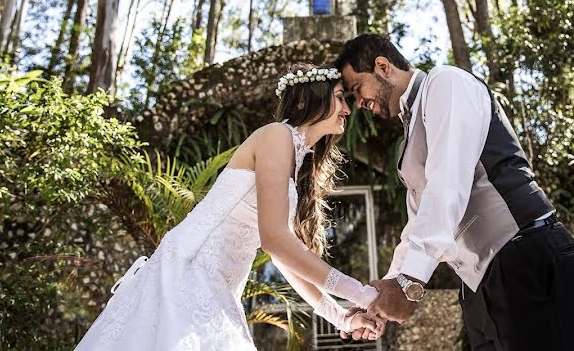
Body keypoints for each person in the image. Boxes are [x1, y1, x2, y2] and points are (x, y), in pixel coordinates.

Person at [75, 64, 382, 350]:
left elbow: (285, 258)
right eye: (340, 97)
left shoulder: (295, 156)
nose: (346, 109)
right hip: (191, 272)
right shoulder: (277, 135)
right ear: (309, 100)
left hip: (217, 285)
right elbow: (276, 242)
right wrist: (361, 293)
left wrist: (341, 316)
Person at [335, 34, 574, 350]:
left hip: (524, 255)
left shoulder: (446, 84)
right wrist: (385, 292)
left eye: (358, 89)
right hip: (479, 282)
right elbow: (420, 220)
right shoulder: (409, 131)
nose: (359, 103)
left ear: (383, 67)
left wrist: (410, 283)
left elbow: (447, 184)